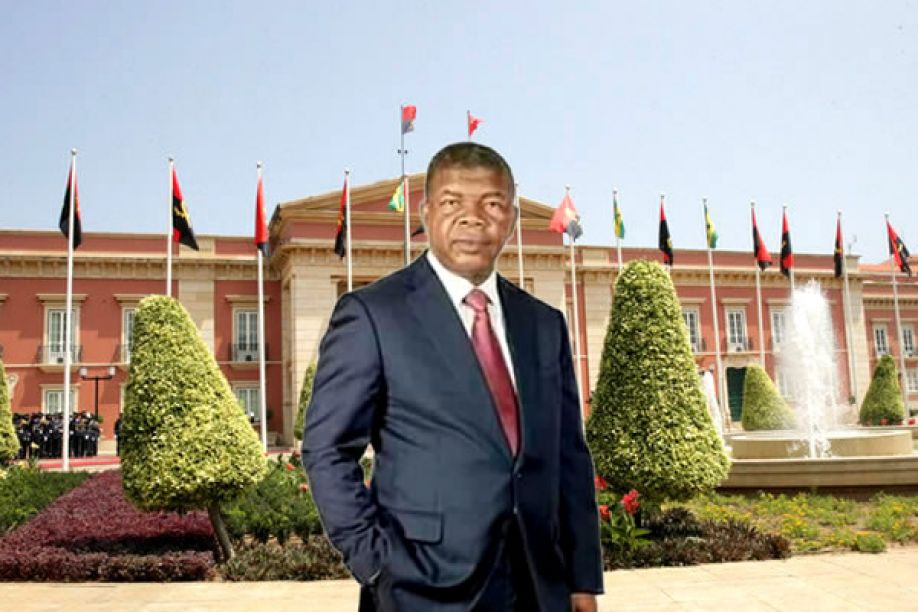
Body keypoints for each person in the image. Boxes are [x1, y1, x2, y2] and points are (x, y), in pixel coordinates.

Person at [303, 142, 603, 611]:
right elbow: (327, 450)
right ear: (426, 213)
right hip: (420, 589)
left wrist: (582, 578)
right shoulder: (373, 315)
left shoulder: (544, 324)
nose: (473, 219)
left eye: (492, 204)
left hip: (539, 586)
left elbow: (569, 457)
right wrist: (376, 563)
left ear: (512, 219)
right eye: (452, 202)